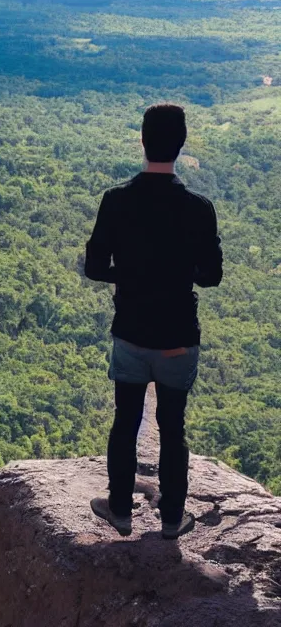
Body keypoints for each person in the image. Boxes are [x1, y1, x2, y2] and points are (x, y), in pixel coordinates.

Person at [85, 104, 223, 540]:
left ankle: (120, 511)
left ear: (142, 141)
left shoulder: (116, 200)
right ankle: (171, 520)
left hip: (130, 331)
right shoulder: (199, 209)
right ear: (181, 146)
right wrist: (179, 273)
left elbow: (94, 266)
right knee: (172, 426)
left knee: (125, 421)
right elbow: (212, 275)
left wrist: (128, 274)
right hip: (178, 337)